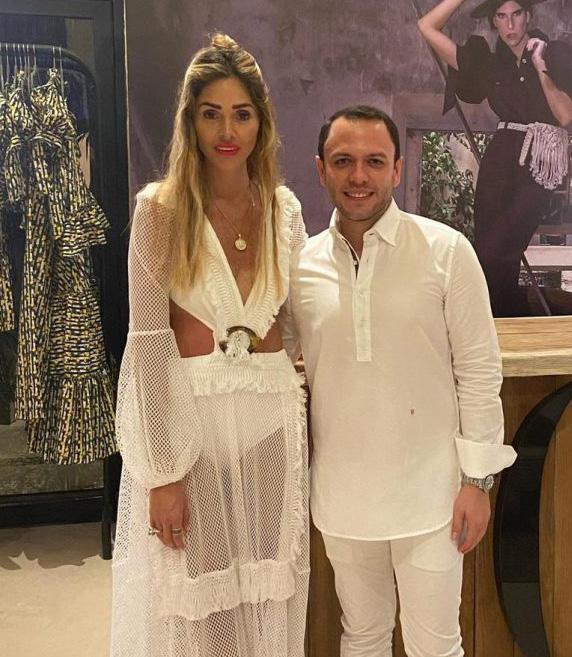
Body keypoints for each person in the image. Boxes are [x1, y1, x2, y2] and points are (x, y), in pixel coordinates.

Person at [280, 105, 517, 657]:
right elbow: (283, 363)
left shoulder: (446, 251)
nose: (358, 176)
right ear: (320, 168)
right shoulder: (299, 266)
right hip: (342, 495)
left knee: (435, 645)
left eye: (374, 161)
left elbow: (479, 370)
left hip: (433, 496)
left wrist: (478, 481)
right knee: (362, 636)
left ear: (397, 169)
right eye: (343, 161)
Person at [111, 34, 309, 657]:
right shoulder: (160, 210)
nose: (227, 131)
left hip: (271, 433)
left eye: (242, 114)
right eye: (211, 113)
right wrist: (162, 474)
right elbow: (148, 345)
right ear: (190, 120)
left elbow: (299, 324)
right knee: (197, 608)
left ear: (261, 122)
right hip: (192, 436)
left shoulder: (283, 209)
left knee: (267, 597)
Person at [418, 0, 572, 317]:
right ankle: (500, 325)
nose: (510, 25)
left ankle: (501, 321)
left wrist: (540, 66)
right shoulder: (488, 64)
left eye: (516, 15)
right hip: (500, 159)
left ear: (528, 16)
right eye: (501, 17)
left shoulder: (554, 54)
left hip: (540, 159)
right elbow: (427, 27)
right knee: (488, 253)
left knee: (497, 253)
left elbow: (565, 115)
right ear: (494, 22)